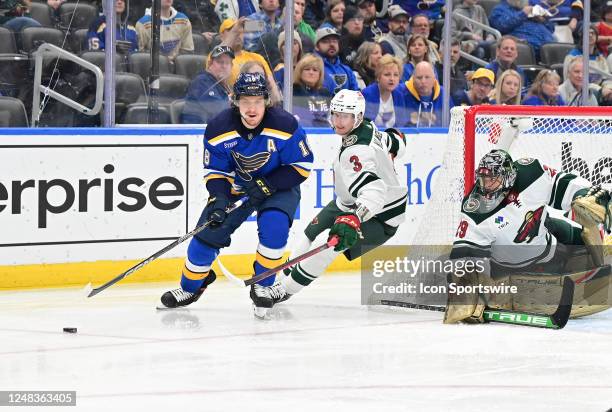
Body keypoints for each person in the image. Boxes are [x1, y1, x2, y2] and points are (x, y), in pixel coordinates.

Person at [159, 72, 314, 314]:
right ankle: (191, 287)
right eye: (245, 101)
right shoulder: (219, 129)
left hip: (278, 186)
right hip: (237, 188)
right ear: (235, 101)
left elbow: (301, 167)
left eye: (257, 101)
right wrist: (219, 198)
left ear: (266, 100)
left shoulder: (285, 126)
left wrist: (267, 184)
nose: (252, 109)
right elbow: (215, 172)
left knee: (274, 228)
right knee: (206, 237)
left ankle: (262, 286)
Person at [251, 89, 408, 316]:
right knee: (310, 230)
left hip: (381, 215)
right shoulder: (369, 128)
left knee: (330, 246)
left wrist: (355, 217)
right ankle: (284, 273)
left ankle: (283, 290)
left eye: (345, 116)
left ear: (358, 117)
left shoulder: (355, 151)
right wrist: (397, 139)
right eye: (335, 114)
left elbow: (374, 190)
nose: (338, 121)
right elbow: (397, 143)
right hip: (347, 202)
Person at [448, 149, 611, 323]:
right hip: (516, 269)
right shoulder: (475, 210)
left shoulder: (530, 173)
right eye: (482, 179)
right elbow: (466, 255)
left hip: (547, 239)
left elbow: (562, 184)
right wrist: (468, 292)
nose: (485, 186)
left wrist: (583, 194)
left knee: (580, 234)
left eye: (491, 180)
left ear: (509, 176)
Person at [181, 45, 234, 124]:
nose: (224, 66)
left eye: (227, 63)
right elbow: (218, 110)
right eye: (220, 62)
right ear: (209, 64)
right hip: (196, 132)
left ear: (232, 66)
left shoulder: (224, 86)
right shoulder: (201, 81)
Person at [489, 0, 555, 59]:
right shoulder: (499, 9)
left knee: (560, 49)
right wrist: (523, 14)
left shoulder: (532, 9)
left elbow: (551, 29)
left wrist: (544, 20)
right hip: (527, 43)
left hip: (548, 44)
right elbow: (502, 26)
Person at [218, 18, 274, 86]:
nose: (238, 32)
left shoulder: (257, 57)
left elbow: (271, 85)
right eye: (231, 30)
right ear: (221, 36)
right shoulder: (216, 59)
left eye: (240, 29)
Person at [400, 61, 452, 127]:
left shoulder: (444, 94)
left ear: (434, 79)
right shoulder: (401, 92)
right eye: (419, 78)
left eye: (427, 77)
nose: (423, 81)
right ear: (413, 79)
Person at [361, 54, 406, 128]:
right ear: (378, 77)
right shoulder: (367, 94)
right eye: (387, 74)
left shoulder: (399, 95)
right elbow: (364, 125)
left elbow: (402, 126)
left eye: (396, 75)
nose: (392, 78)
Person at [291, 53, 332, 127]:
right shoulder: (292, 91)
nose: (311, 72)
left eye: (315, 70)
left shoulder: (325, 93)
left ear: (320, 74)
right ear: (300, 72)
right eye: (307, 69)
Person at [314, 26, 359, 93]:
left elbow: (356, 94)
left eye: (334, 41)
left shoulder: (347, 70)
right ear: (317, 47)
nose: (332, 44)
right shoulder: (312, 68)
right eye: (326, 41)